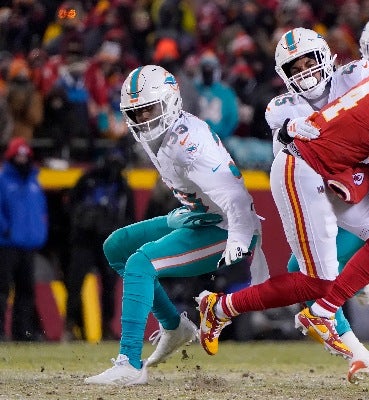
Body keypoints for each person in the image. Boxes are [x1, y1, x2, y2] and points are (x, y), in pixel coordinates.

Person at [196, 39, 369, 383]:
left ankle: (321, 311)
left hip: (341, 171)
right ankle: (223, 307)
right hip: (304, 168)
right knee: (315, 278)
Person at [85, 64, 268, 385]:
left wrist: (240, 239)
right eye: (137, 113)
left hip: (224, 227)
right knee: (117, 247)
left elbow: (237, 198)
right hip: (197, 216)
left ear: (170, 102)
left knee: (141, 263)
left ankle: (129, 362)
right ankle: (174, 326)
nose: (143, 120)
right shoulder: (159, 134)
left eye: (149, 110)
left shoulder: (188, 144)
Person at [63, 147, 136, 341]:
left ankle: (105, 327)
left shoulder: (122, 186)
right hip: (84, 240)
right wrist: (82, 222)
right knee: (75, 284)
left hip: (107, 242)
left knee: (109, 287)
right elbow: (70, 205)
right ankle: (71, 325)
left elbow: (130, 217)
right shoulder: (89, 180)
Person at [0, 137, 48, 341]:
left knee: (26, 291)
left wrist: (40, 233)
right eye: (18, 155)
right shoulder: (3, 180)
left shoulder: (34, 181)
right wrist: (5, 229)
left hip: (28, 244)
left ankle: (22, 332)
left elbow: (40, 211)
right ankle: (0, 331)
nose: (22, 160)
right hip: (6, 244)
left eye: (24, 155)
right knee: (2, 290)